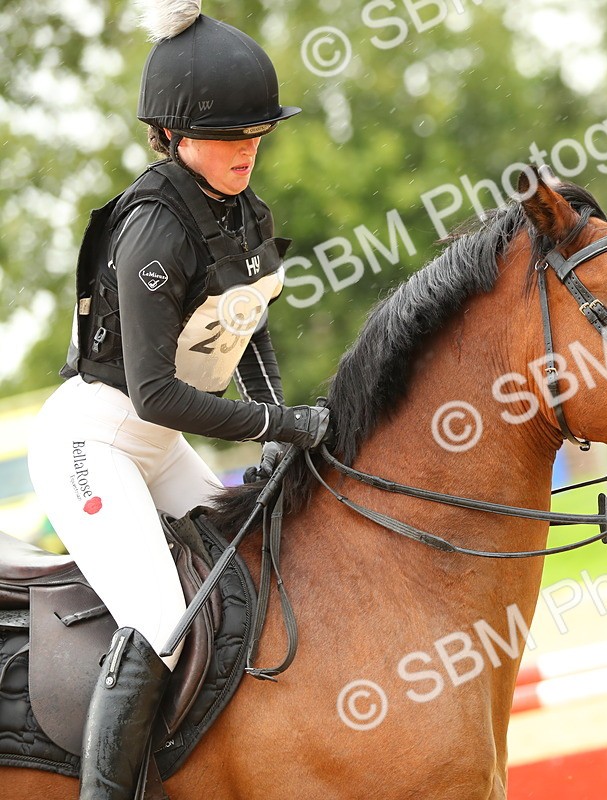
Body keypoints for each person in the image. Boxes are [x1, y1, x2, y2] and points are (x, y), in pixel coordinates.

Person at [25, 3, 328, 797]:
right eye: (232, 136)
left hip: (158, 447)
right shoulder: (154, 226)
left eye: (257, 134)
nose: (248, 150)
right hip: (93, 447)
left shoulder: (244, 214)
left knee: (260, 575)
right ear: (171, 136)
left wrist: (276, 440)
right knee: (165, 620)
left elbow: (250, 330)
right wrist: (281, 423)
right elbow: (156, 393)